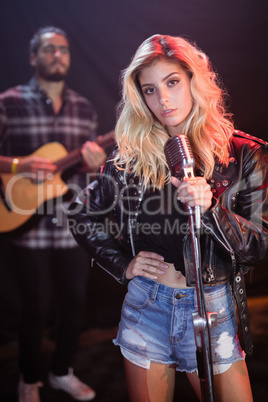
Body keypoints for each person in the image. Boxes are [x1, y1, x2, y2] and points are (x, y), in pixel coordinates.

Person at [68, 34, 268, 402]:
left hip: (210, 306)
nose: (162, 99)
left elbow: (259, 245)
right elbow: (80, 213)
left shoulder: (243, 154)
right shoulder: (130, 158)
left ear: (194, 80)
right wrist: (122, 265)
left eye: (172, 82)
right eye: (149, 89)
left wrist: (212, 208)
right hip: (147, 305)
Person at [0, 26, 110, 402]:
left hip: (71, 225)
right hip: (24, 224)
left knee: (75, 305)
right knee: (35, 308)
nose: (58, 56)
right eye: (49, 50)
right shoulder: (8, 101)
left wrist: (97, 166)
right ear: (33, 57)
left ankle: (62, 370)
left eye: (64, 50)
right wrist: (19, 165)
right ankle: (29, 378)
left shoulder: (85, 108)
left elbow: (89, 174)